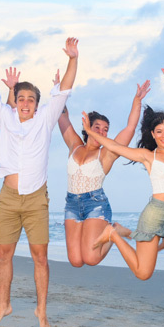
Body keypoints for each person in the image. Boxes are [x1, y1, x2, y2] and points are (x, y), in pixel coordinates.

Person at [0, 33, 78, 327]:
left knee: (39, 257)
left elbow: (65, 88)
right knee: (4, 254)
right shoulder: (5, 118)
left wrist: (73, 59)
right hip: (8, 198)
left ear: (38, 104)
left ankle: (41, 309)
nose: (25, 103)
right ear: (15, 102)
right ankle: (4, 304)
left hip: (36, 200)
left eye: (31, 100)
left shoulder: (45, 119)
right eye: (21, 99)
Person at [82, 70, 164, 282]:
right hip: (154, 215)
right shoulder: (148, 156)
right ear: (152, 134)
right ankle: (114, 233)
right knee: (143, 273)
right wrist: (90, 132)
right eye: (159, 131)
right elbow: (114, 146)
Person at [56, 80, 150, 267]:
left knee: (91, 259)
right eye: (97, 127)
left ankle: (114, 230)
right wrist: (60, 92)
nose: (102, 132)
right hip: (72, 204)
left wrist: (136, 101)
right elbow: (61, 115)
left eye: (105, 130)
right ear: (87, 126)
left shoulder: (107, 153)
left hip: (95, 204)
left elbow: (130, 128)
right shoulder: (75, 145)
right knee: (75, 261)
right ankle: (112, 230)